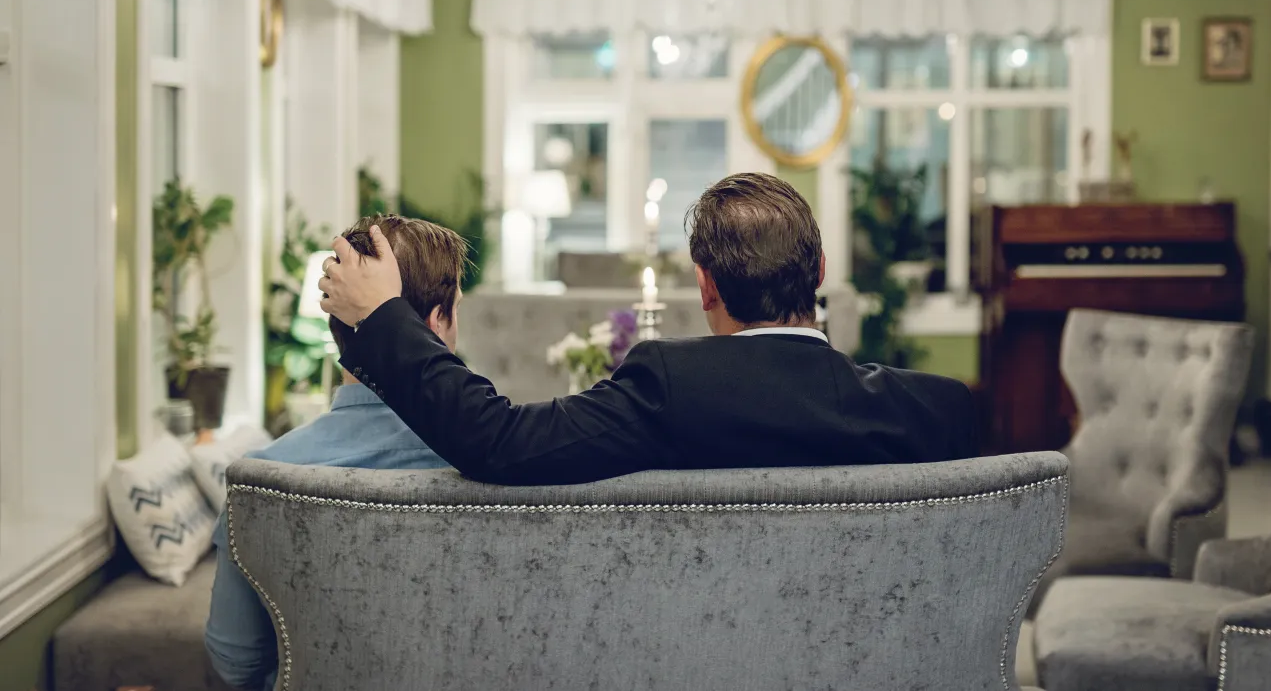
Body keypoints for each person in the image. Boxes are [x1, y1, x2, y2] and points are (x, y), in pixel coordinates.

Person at [319, 172, 980, 486]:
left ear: (705, 286)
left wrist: (384, 318)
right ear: (820, 271)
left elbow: (500, 443)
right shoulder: (940, 412)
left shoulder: (671, 386)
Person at [205, 215, 467, 691]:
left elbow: (235, 661)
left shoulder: (261, 479)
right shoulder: (491, 468)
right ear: (438, 320)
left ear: (337, 324)